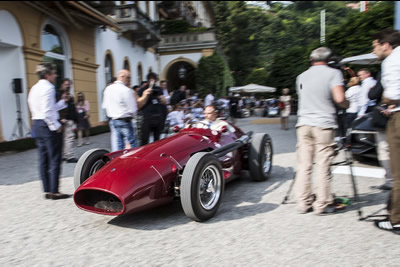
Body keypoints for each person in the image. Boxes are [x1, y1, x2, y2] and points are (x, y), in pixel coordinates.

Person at [295, 47, 349, 215]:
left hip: (304, 123)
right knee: (323, 164)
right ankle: (322, 204)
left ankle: (303, 203)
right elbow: (339, 99)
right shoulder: (333, 74)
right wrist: (347, 104)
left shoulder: (301, 76)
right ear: (329, 60)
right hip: (323, 123)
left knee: (304, 165)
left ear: (311, 60)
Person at [371, 29, 400, 234]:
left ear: (385, 45)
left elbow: (391, 94)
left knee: (398, 173)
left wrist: (386, 102)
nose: (374, 51)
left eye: (375, 46)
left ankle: (396, 219)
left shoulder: (390, 62)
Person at [27, 63, 70, 200]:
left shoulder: (34, 88)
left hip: (37, 124)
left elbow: (44, 108)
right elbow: (47, 111)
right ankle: (54, 191)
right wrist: (55, 125)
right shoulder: (49, 87)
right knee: (55, 159)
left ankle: (47, 190)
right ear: (47, 75)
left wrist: (62, 103)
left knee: (43, 159)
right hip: (48, 126)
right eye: (54, 72)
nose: (56, 75)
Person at [102, 69, 138, 151]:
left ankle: (117, 162)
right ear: (122, 77)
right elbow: (133, 109)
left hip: (113, 121)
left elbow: (104, 106)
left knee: (117, 147)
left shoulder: (108, 89)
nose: (129, 80)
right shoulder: (126, 90)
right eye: (128, 78)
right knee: (133, 145)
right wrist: (134, 121)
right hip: (125, 121)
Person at [137, 72, 167, 145]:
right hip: (147, 117)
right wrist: (145, 95)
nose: (153, 82)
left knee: (157, 141)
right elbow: (139, 105)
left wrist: (160, 97)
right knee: (144, 139)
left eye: (154, 80)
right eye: (151, 80)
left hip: (158, 117)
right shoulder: (143, 90)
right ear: (148, 80)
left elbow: (165, 102)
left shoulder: (159, 89)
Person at [57, 78, 78, 163]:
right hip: (65, 120)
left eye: (69, 84)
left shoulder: (68, 94)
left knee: (65, 138)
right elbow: (58, 107)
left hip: (68, 119)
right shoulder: (60, 95)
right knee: (69, 138)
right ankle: (69, 156)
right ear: (62, 84)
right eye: (66, 84)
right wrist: (61, 118)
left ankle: (65, 155)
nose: (68, 86)